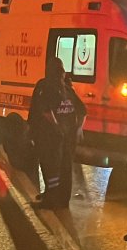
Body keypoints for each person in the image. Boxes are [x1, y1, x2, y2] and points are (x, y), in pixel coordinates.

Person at [28, 57, 86, 208]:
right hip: (68, 137)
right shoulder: (68, 89)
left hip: (50, 136)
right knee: (65, 168)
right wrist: (78, 129)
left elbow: (46, 111)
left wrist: (56, 127)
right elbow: (83, 111)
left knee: (50, 168)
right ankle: (62, 199)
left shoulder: (44, 86)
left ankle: (51, 201)